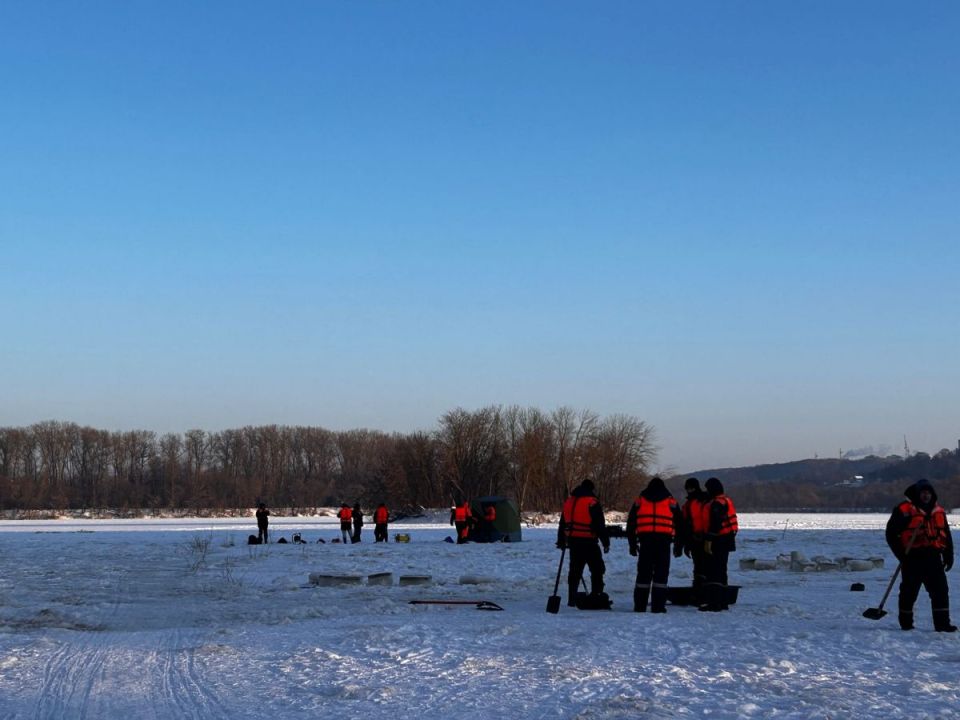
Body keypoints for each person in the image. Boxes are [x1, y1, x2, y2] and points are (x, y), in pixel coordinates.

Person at [885, 479, 956, 632]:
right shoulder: (903, 510)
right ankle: (906, 623)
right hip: (912, 557)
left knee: (941, 591)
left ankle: (942, 624)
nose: (926, 496)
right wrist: (902, 555)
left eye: (928, 493)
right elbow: (891, 534)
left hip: (934, 557)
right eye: (923, 493)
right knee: (909, 592)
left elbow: (946, 535)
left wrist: (949, 555)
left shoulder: (939, 511)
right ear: (918, 494)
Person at [627, 477, 682, 613]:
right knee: (661, 575)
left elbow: (631, 524)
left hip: (645, 542)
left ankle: (640, 606)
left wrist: (632, 544)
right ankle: (658, 606)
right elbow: (681, 525)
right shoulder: (671, 502)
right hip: (663, 542)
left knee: (643, 575)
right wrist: (678, 545)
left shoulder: (640, 501)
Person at [557, 479, 610, 607]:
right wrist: (605, 542)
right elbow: (599, 525)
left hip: (574, 541)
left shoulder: (569, 502)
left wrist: (561, 540)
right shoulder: (592, 502)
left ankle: (572, 597)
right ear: (591, 489)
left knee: (575, 570)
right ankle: (596, 594)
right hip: (589, 541)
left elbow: (562, 523)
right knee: (597, 569)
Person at [700, 477, 738, 612]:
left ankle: (714, 603)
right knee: (722, 571)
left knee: (714, 571)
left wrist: (709, 540)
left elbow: (716, 523)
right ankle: (722, 601)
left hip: (718, 540)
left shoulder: (716, 504)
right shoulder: (725, 501)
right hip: (727, 539)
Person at [675, 477, 710, 604]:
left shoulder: (694, 503)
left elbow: (685, 526)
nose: (689, 490)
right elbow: (685, 526)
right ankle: (702, 592)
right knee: (703, 567)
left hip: (701, 539)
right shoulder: (703, 501)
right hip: (702, 539)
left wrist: (684, 543)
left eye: (690, 488)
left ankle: (701, 593)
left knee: (701, 567)